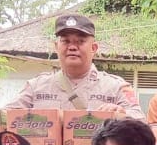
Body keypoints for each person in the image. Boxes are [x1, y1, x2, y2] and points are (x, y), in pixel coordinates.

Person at [10, 13, 144, 118]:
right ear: (56, 47)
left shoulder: (116, 87)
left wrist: (121, 114)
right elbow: (5, 116)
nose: (72, 47)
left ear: (93, 48)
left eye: (80, 41)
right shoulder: (36, 87)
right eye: (66, 41)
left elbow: (141, 123)